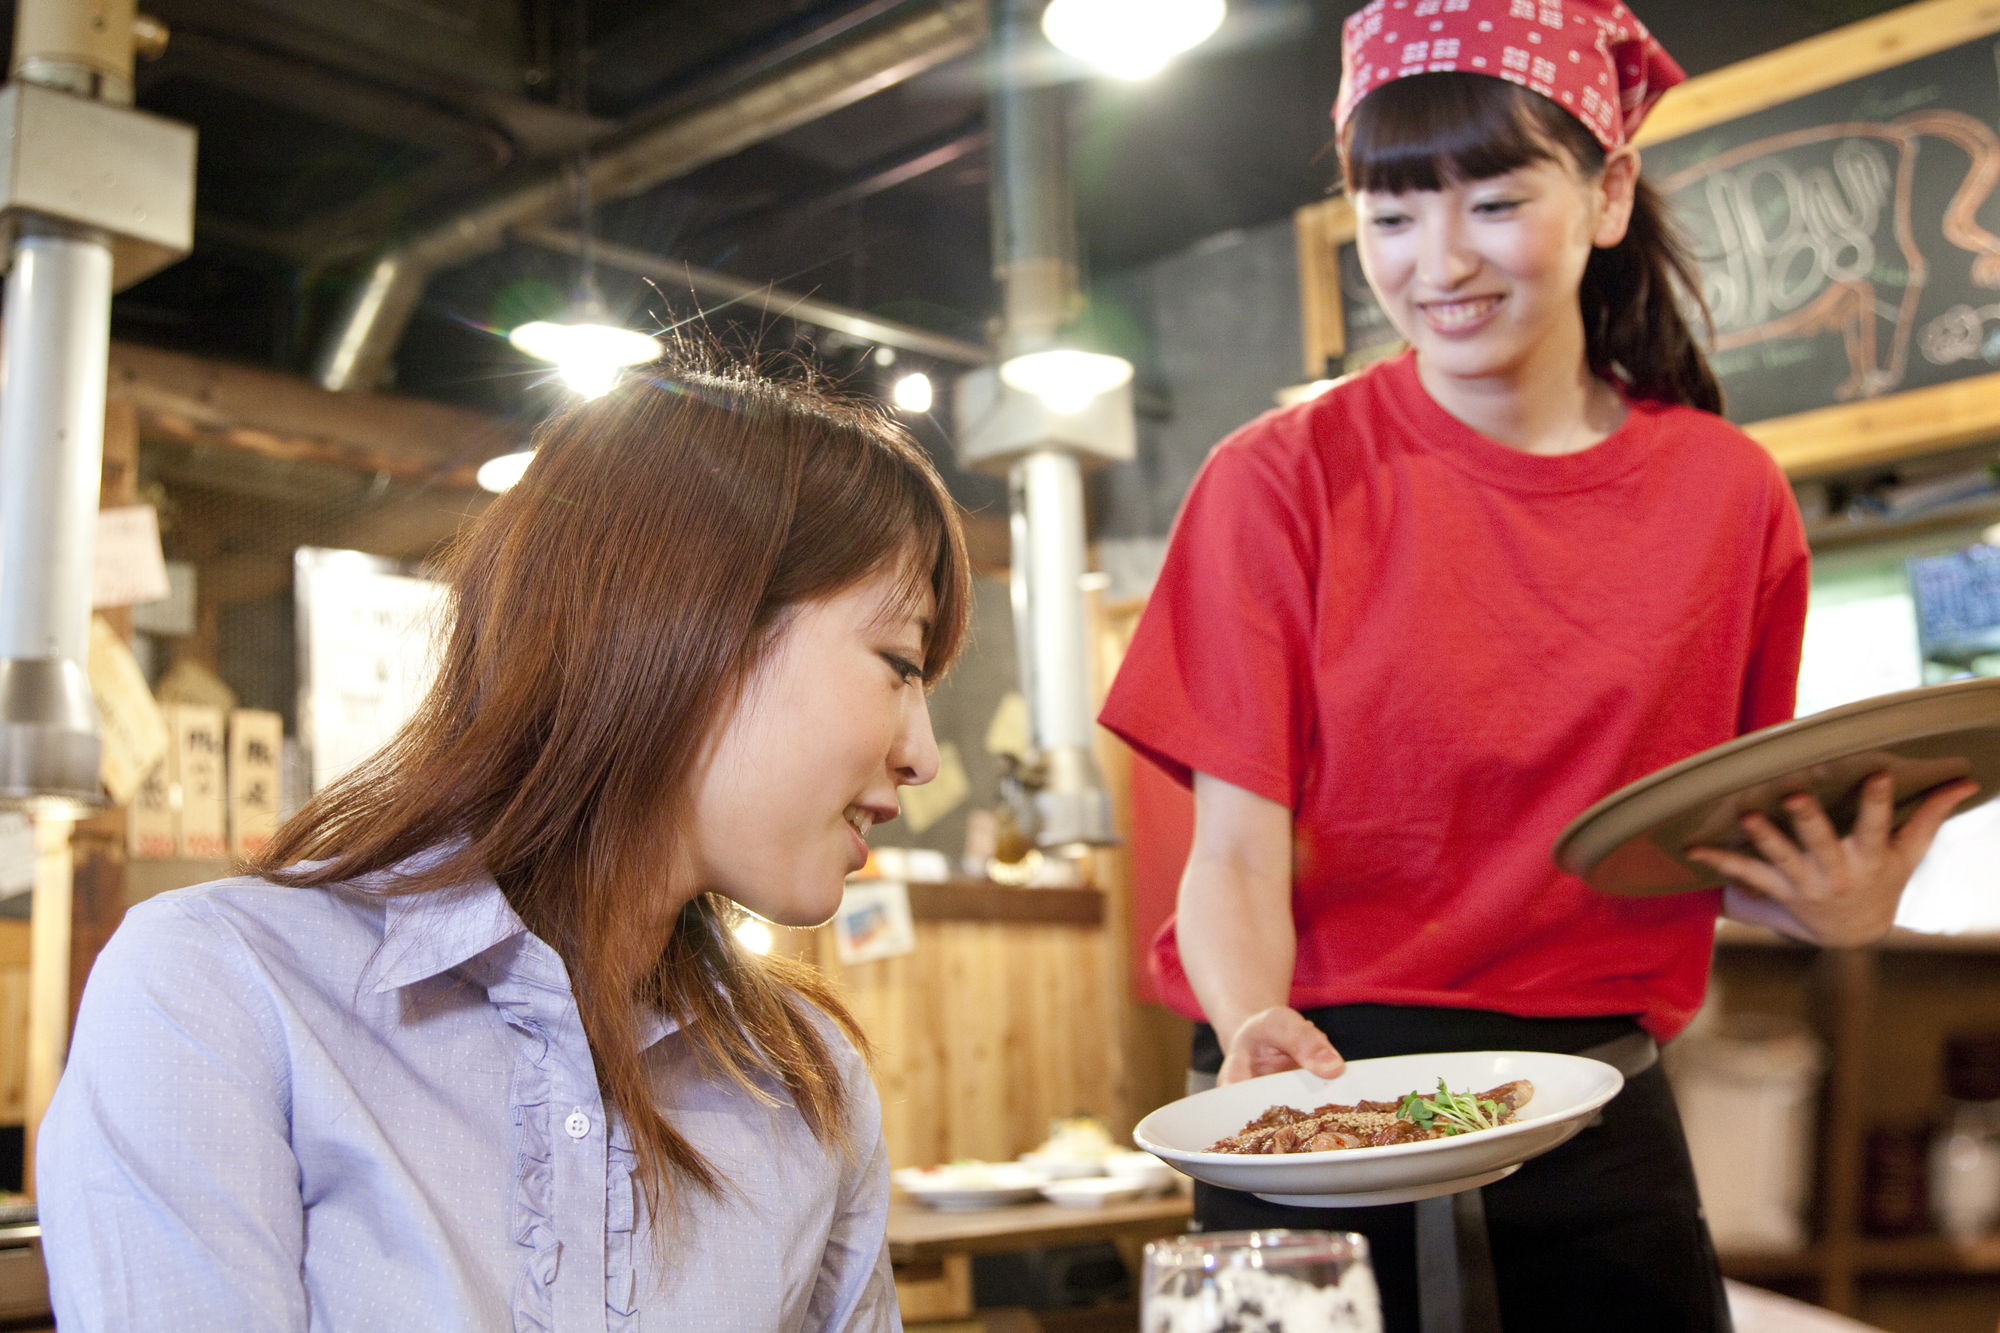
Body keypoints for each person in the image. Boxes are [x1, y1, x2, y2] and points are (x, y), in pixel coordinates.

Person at [1099, 2, 1977, 1328]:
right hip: (1313, 1097)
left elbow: (1701, 847)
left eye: (1495, 201)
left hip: (1596, 1111)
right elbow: (1233, 852)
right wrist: (1254, 1021)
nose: (1437, 260)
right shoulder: (1277, 481)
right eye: (1390, 216)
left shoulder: (1730, 500)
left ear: (1609, 190)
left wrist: (1836, 905)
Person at [37, 363, 970, 1331]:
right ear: (696, 620)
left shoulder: (807, 1085)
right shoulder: (216, 995)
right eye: (899, 665)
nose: (924, 756)